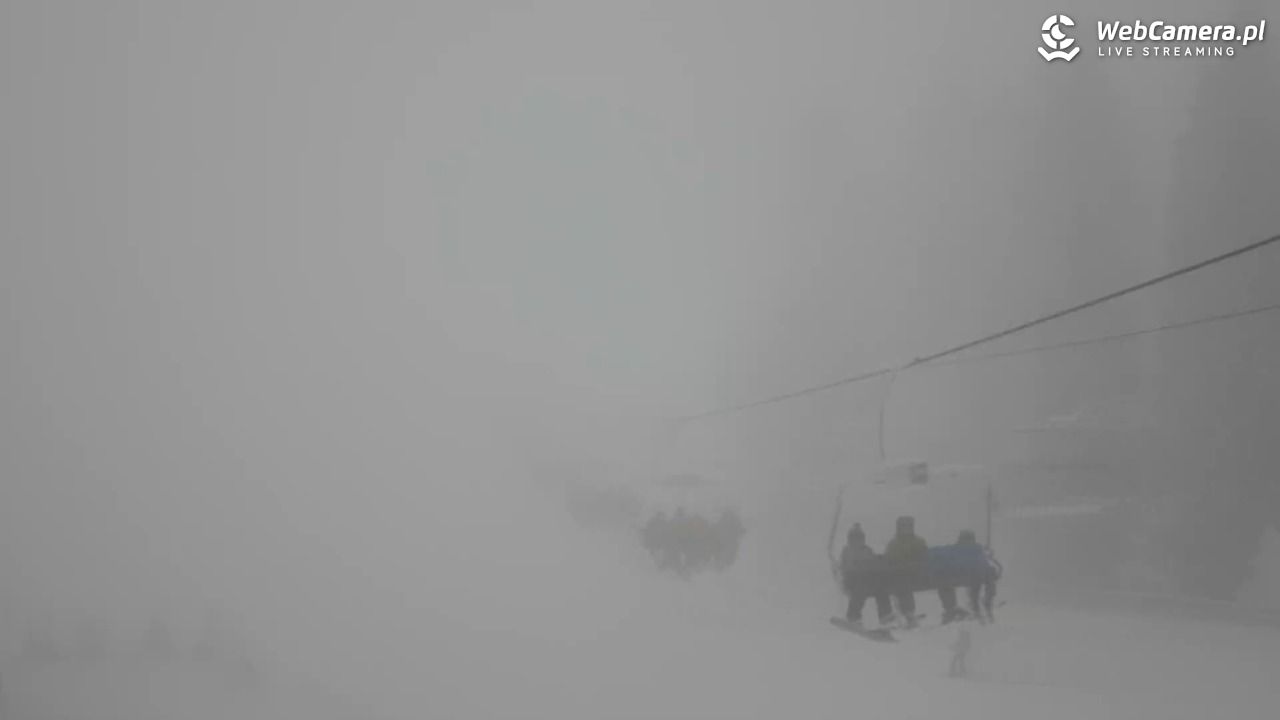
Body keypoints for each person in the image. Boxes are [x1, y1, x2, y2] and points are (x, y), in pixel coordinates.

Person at [840, 524, 892, 627]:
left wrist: (878, 561)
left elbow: (873, 562)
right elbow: (846, 566)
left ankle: (885, 615)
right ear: (850, 539)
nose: (857, 541)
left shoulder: (867, 550)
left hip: (867, 579)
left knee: (881, 589)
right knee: (860, 590)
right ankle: (853, 616)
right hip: (852, 580)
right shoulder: (847, 551)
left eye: (859, 538)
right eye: (854, 538)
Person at [883, 516, 928, 627]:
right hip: (906, 576)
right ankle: (906, 612)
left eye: (908, 526)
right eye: (904, 526)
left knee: (901, 581)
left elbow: (924, 559)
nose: (906, 529)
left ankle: (907, 612)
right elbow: (888, 561)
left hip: (914, 576)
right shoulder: (895, 544)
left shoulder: (896, 544)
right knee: (899, 581)